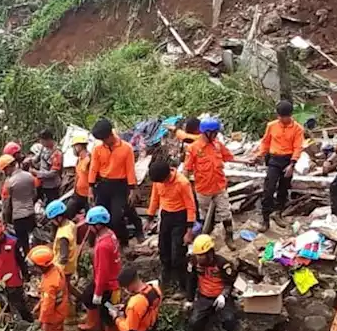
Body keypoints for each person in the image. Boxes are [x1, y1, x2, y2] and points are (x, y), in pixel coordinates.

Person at [184, 234, 242, 331]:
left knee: (229, 319)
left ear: (210, 253)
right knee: (193, 321)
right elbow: (191, 281)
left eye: (202, 255)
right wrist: (189, 299)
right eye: (197, 255)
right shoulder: (193, 262)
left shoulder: (222, 264)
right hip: (204, 297)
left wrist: (223, 295)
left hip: (221, 297)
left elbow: (230, 282)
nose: (199, 258)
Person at [250, 100, 305, 230]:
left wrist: (292, 164)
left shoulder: (298, 128)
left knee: (283, 189)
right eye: (279, 116)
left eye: (283, 116)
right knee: (268, 189)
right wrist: (259, 155)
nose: (281, 119)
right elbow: (265, 142)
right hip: (274, 160)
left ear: (290, 115)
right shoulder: (272, 126)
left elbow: (298, 147)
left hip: (288, 160)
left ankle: (278, 213)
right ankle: (265, 219)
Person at [89, 118, 144, 244]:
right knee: (103, 215)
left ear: (110, 135)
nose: (103, 142)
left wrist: (132, 189)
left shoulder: (126, 148)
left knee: (117, 217)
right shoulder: (98, 149)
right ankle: (108, 240)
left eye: (104, 139)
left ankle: (124, 241)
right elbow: (93, 168)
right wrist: (90, 188)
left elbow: (130, 170)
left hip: (120, 185)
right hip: (103, 185)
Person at [183, 115, 237, 245]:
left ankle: (229, 237)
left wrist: (247, 161)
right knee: (205, 217)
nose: (216, 135)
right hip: (203, 189)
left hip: (219, 186)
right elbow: (187, 169)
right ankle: (206, 238)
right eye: (215, 133)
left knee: (226, 213)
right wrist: (185, 188)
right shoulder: (194, 148)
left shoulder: (217, 145)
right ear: (207, 133)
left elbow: (229, 157)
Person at [145, 162, 196, 294]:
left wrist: (189, 231)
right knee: (163, 248)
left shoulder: (182, 183)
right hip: (166, 216)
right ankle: (166, 279)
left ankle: (182, 286)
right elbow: (154, 199)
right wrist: (149, 218)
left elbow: (191, 207)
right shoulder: (158, 182)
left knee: (178, 253)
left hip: (180, 218)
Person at [30, 245, 80, 331]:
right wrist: (38, 305)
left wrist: (41, 321)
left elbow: (47, 305)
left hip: (53, 316)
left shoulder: (49, 283)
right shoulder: (57, 268)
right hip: (61, 310)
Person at [79, 206, 121, 331]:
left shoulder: (103, 245)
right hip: (105, 279)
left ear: (97, 225)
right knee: (87, 297)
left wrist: (98, 292)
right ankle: (94, 324)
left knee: (107, 311)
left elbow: (103, 270)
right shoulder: (109, 235)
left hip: (108, 284)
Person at [0, 219, 34, 323]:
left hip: (13, 281)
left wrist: (26, 274)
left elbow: (21, 261)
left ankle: (29, 325)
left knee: (20, 305)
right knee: (0, 306)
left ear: (1, 234)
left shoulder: (13, 242)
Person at [0, 154, 38, 260]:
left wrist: (5, 220)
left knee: (23, 244)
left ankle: (28, 266)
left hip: (18, 217)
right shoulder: (29, 176)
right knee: (34, 240)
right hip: (31, 213)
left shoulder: (9, 183)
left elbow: (6, 205)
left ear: (7, 168)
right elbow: (34, 194)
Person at [47, 200, 81, 281]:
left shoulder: (63, 236)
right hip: (71, 265)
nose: (52, 222)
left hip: (64, 269)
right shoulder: (70, 224)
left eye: (53, 219)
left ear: (59, 217)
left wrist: (55, 273)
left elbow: (63, 258)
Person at [34, 129, 64, 206]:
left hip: (52, 185)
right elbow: (37, 159)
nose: (41, 143)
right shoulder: (43, 148)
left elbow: (53, 173)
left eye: (42, 141)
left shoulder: (57, 153)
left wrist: (36, 173)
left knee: (52, 204)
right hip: (43, 183)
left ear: (48, 140)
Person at [68, 132, 93, 217]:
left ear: (79, 146)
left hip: (88, 196)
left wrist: (91, 193)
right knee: (68, 213)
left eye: (74, 147)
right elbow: (78, 176)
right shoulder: (79, 160)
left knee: (90, 218)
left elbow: (93, 178)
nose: (73, 149)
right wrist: (74, 189)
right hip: (78, 194)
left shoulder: (89, 160)